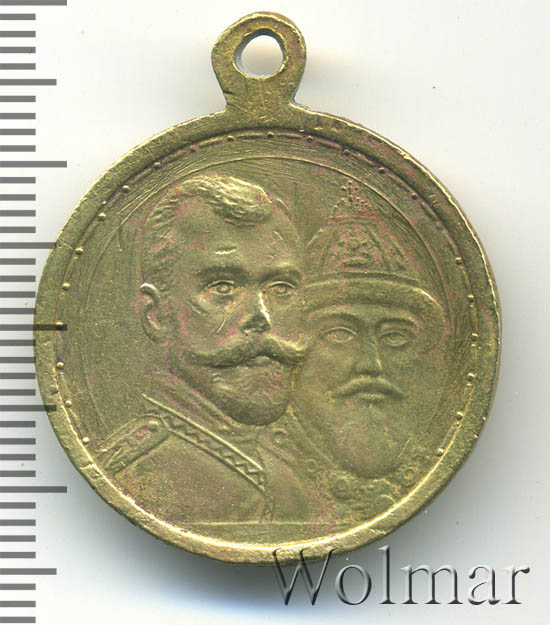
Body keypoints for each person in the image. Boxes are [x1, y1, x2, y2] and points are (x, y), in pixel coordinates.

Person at [98, 174, 308, 529]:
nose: (262, 318)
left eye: (281, 288)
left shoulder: (286, 474)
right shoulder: (136, 475)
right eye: (223, 287)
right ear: (156, 314)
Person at [272, 182, 451, 526]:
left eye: (395, 337)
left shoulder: (426, 455)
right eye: (340, 334)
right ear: (293, 349)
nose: (372, 364)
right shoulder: (250, 483)